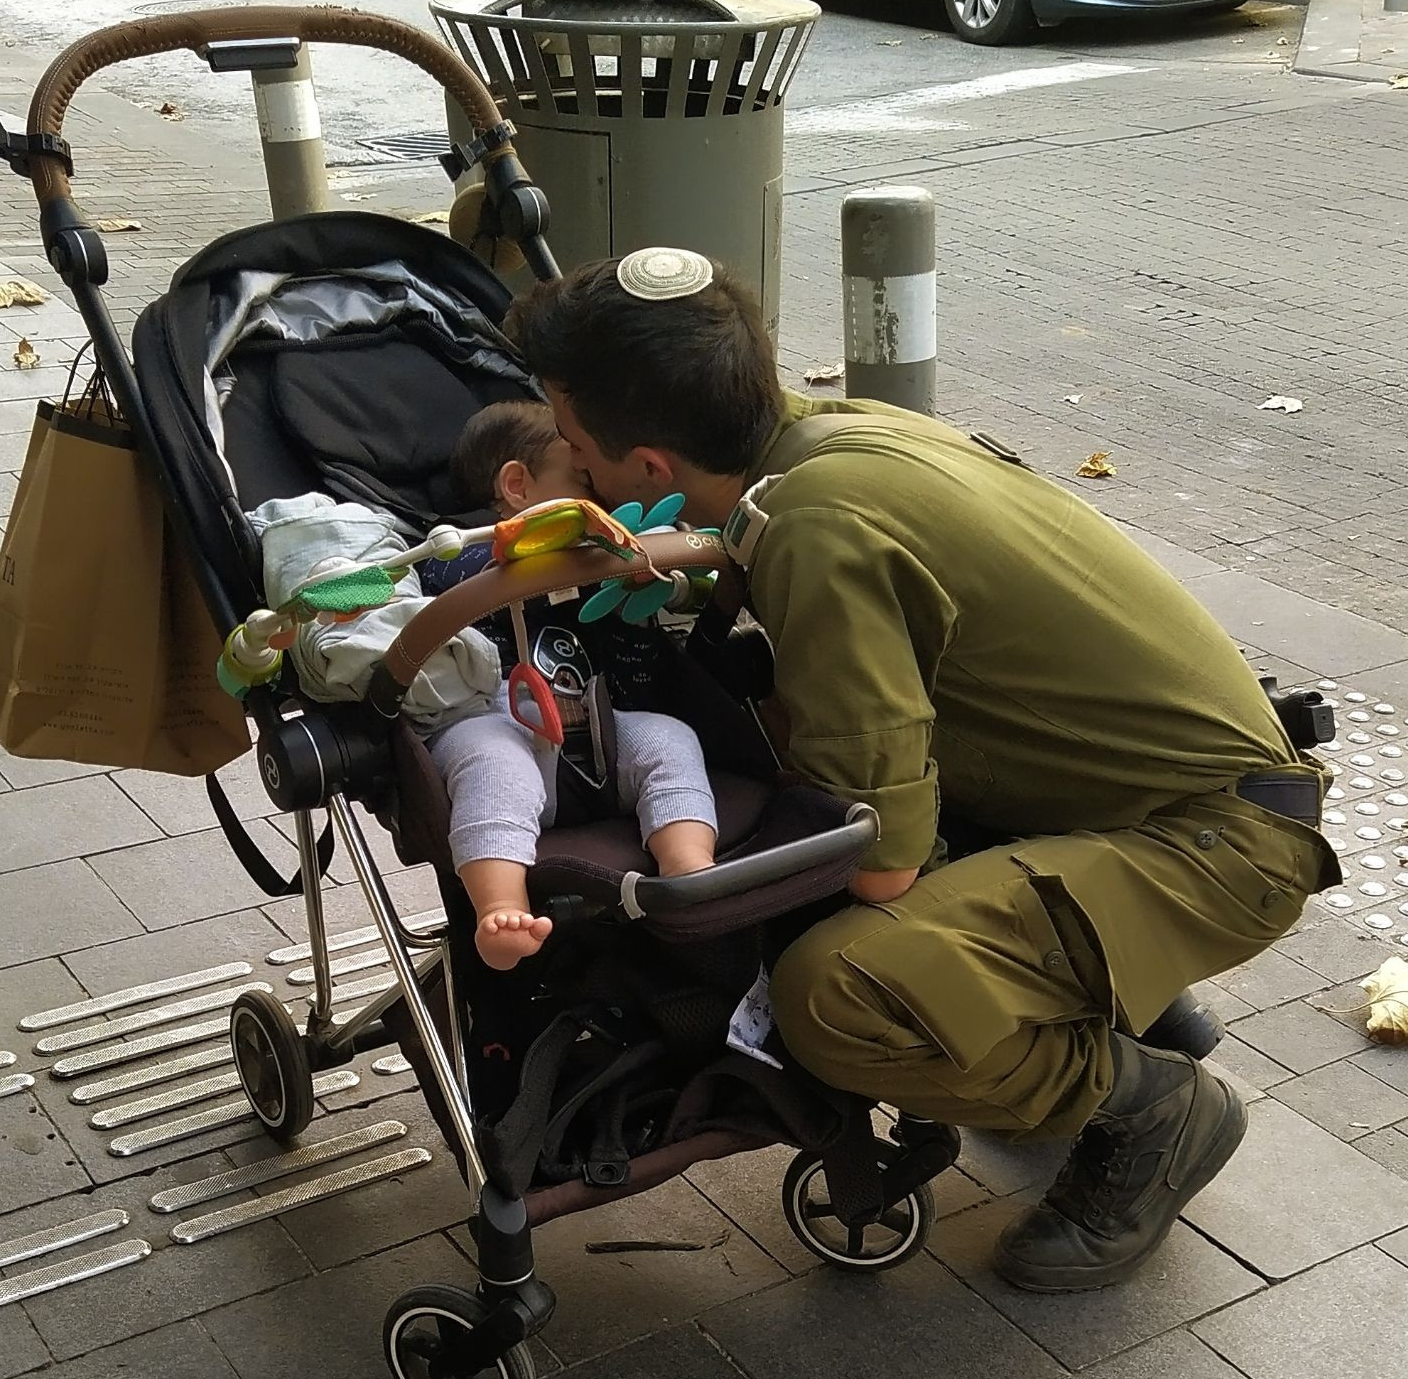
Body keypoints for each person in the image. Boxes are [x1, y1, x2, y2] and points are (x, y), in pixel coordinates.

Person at [506, 249, 1340, 1293]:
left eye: (576, 448)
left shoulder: (812, 528)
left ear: (649, 471)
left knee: (837, 990)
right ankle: (1089, 1002)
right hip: (1156, 798)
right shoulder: (826, 438)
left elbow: (881, 867)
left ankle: (1154, 1109)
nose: (569, 468)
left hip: (1215, 847)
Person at [428, 399, 718, 972]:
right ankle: (500, 908)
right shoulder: (454, 551)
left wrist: (636, 599)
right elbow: (438, 587)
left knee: (669, 739)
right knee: (493, 766)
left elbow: (634, 676)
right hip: (495, 725)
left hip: (595, 726)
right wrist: (553, 551)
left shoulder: (597, 552)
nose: (608, 503)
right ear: (518, 486)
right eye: (586, 483)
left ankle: (690, 870)